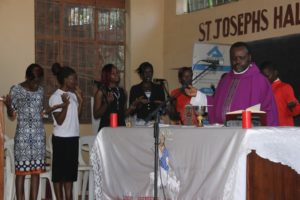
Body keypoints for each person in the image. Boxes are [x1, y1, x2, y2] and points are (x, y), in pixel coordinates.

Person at [186, 42, 279, 126]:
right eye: (234, 58)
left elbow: (269, 111)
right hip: (224, 134)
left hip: (248, 135)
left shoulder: (260, 81)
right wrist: (198, 95)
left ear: (249, 58)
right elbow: (215, 104)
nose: (237, 61)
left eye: (241, 58)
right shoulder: (225, 80)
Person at [2, 64, 47, 200]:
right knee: (20, 172)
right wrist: (9, 105)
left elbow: (40, 112)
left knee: (36, 172)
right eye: (33, 81)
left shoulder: (41, 90)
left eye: (39, 81)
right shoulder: (16, 90)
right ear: (27, 77)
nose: (36, 85)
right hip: (23, 137)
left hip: (39, 137)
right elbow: (12, 115)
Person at [49, 63, 83, 200]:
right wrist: (65, 105)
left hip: (73, 137)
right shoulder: (56, 97)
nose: (75, 81)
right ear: (65, 80)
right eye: (73, 79)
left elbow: (76, 117)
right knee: (59, 175)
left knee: (69, 174)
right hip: (61, 139)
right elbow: (60, 121)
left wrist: (81, 101)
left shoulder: (72, 95)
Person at [260, 61, 300, 126]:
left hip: (283, 129)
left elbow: (296, 110)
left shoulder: (285, 87)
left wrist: (292, 107)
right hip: (267, 128)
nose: (265, 79)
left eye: (267, 76)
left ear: (275, 73)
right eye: (263, 77)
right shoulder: (262, 90)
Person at [93, 63, 131, 130]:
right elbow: (96, 115)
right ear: (107, 75)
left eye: (117, 72)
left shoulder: (123, 91)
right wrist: (106, 103)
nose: (117, 75)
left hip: (121, 128)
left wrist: (133, 107)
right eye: (113, 73)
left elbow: (123, 114)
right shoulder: (101, 92)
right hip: (107, 128)